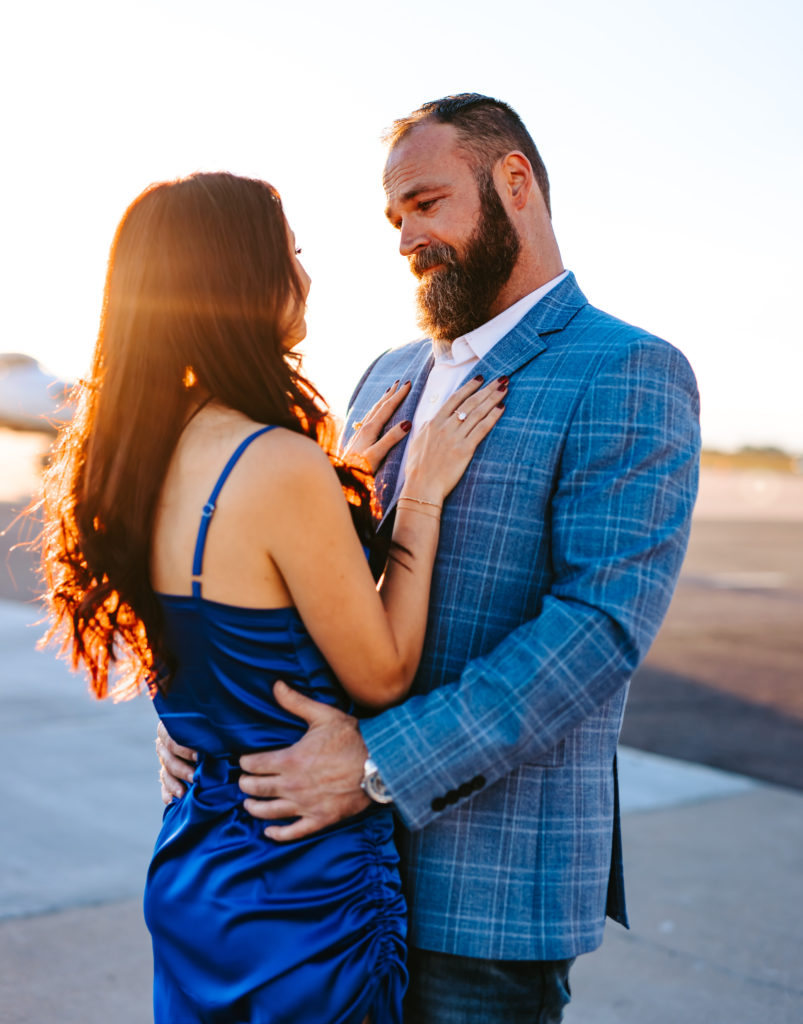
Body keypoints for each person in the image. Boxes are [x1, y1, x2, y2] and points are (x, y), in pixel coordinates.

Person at [159, 94, 701, 1023]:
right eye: (393, 216)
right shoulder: (384, 372)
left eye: (426, 202)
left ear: (514, 182)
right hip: (314, 880)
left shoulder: (627, 370)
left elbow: (596, 631)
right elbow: (287, 573)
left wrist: (371, 765)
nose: (406, 235)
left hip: (484, 899)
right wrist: (204, 709)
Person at [39, 170, 506, 1023]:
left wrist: (342, 484)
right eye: (291, 251)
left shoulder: (138, 457)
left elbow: (223, 615)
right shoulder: (279, 464)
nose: (306, 273)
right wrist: (425, 492)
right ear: (242, 280)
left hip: (194, 869)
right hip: (297, 893)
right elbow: (384, 674)